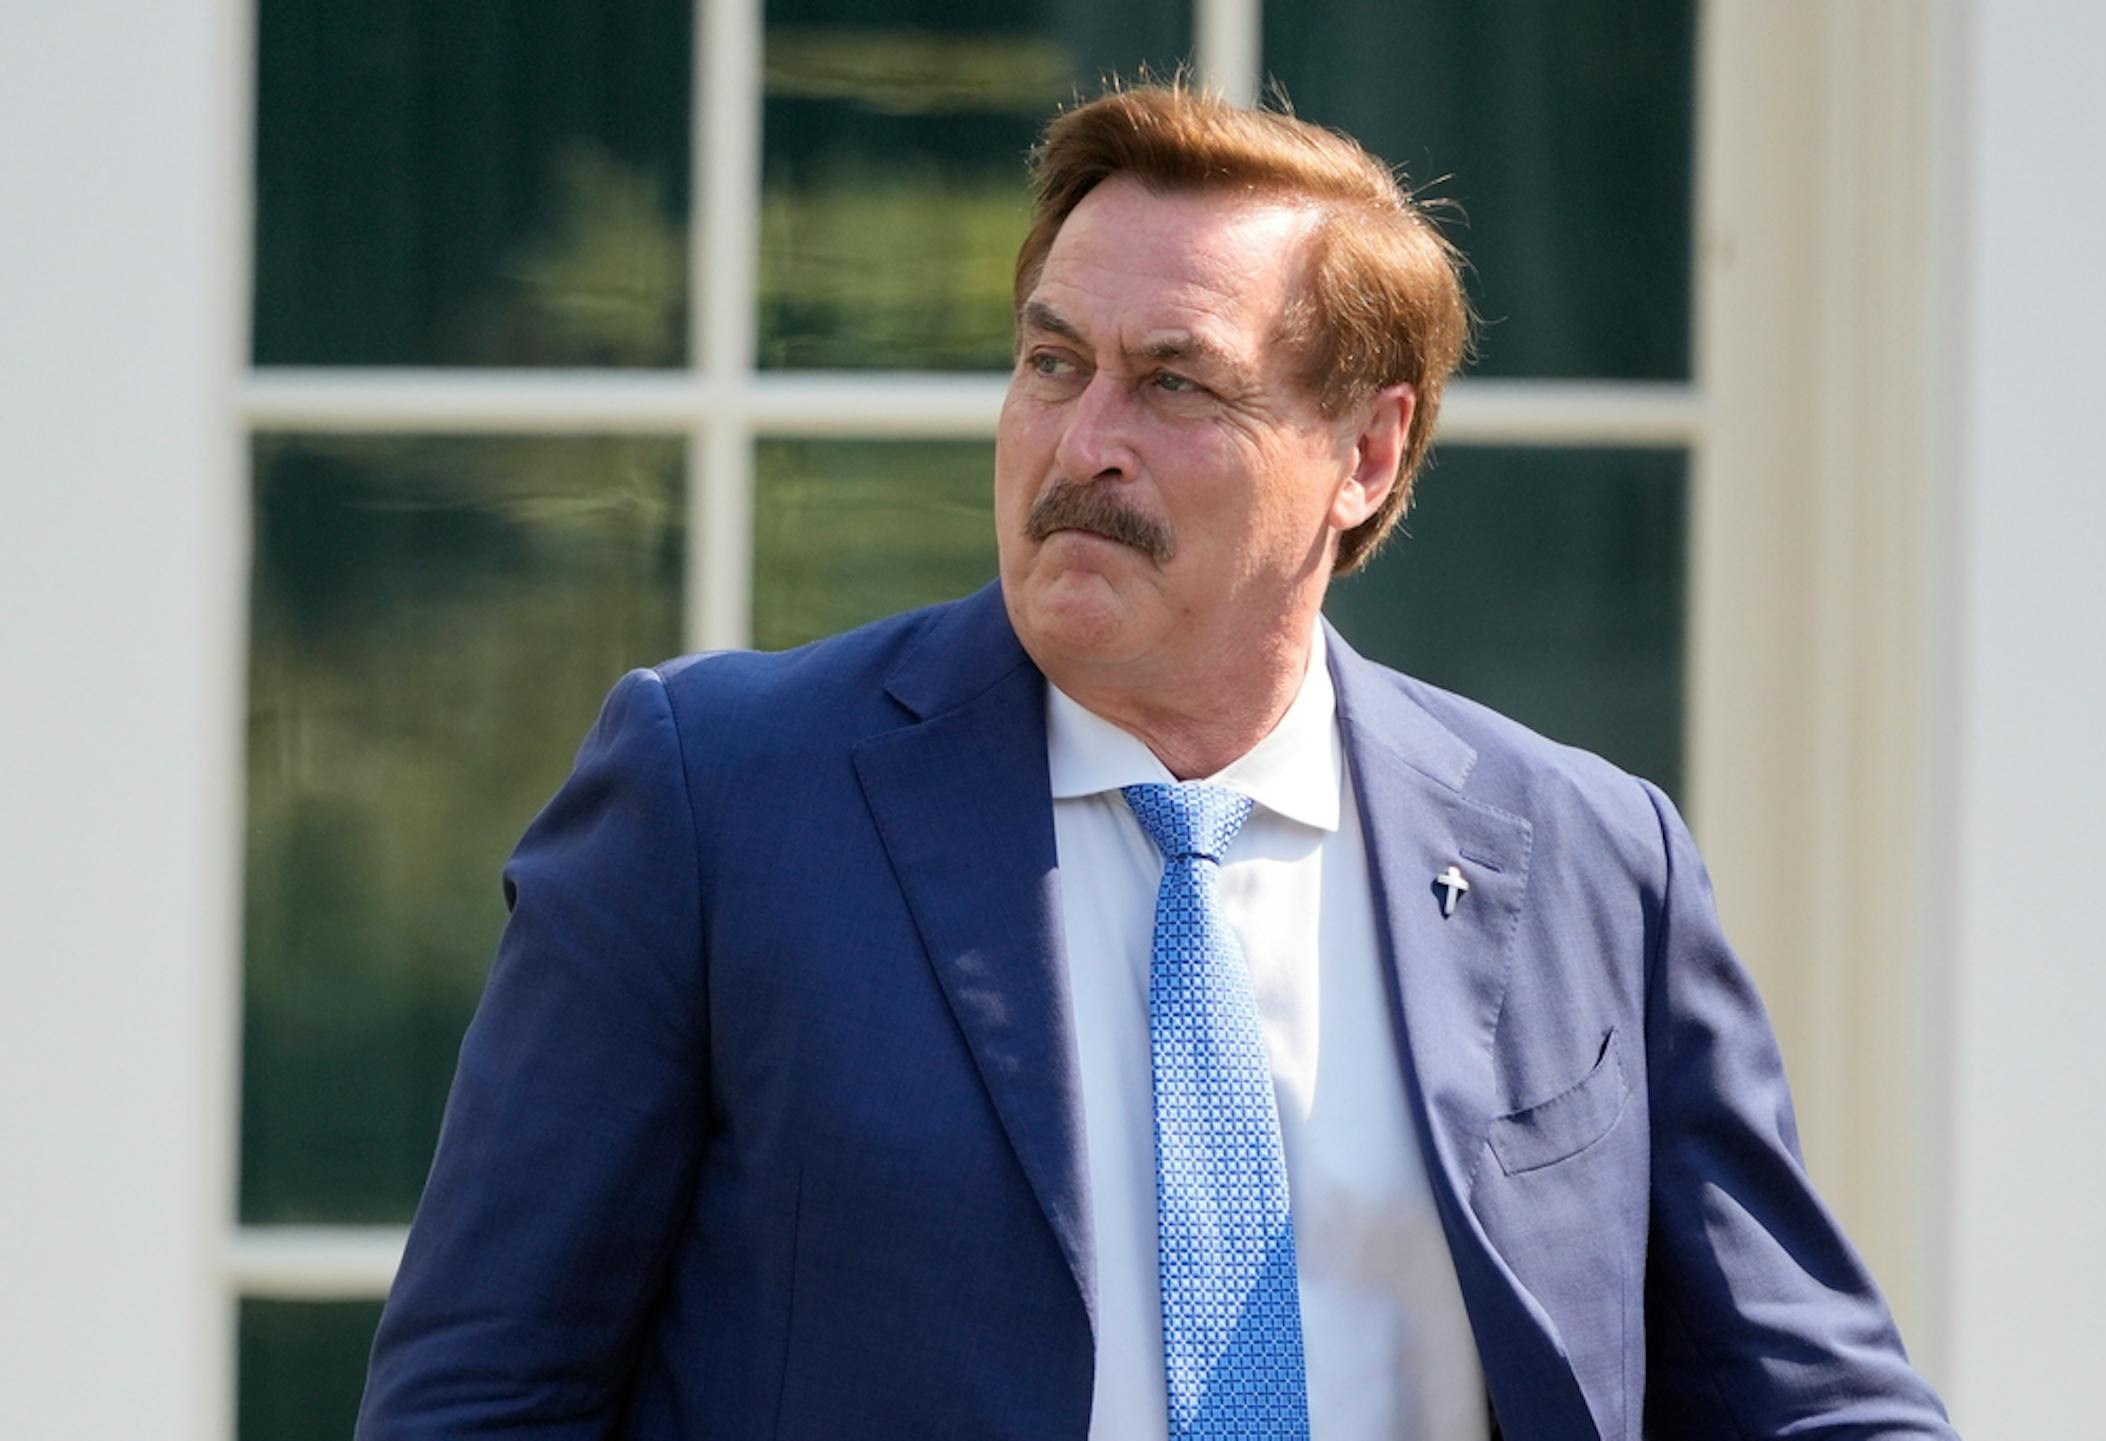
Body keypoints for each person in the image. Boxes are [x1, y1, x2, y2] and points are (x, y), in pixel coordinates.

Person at [357, 83, 1958, 1440]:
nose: (1081, 443)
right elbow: (481, 1396)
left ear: (1367, 450)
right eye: (1053, 362)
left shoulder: (1592, 861)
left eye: (1174, 381)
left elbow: (1815, 1402)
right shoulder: (718, 800)